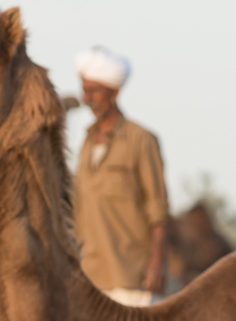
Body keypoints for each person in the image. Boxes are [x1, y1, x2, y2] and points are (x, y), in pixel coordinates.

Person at [72, 46, 169, 306]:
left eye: (94, 91)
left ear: (114, 92)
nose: (87, 98)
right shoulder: (87, 142)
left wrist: (156, 265)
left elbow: (158, 210)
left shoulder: (141, 140)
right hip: (90, 278)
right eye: (84, 90)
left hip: (131, 279)